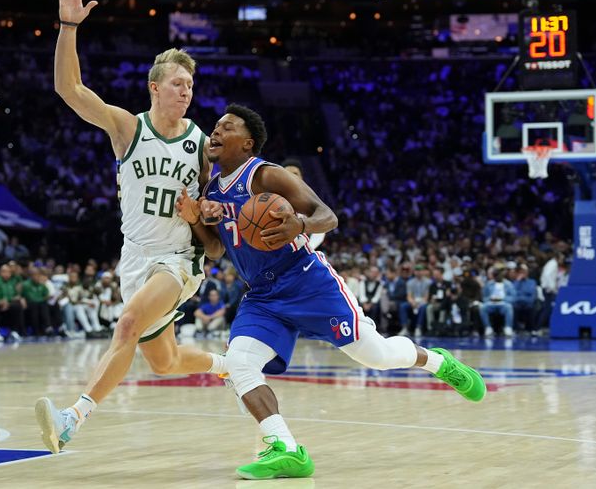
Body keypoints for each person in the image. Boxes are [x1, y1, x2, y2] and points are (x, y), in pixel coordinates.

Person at [177, 104, 485, 480]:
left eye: (227, 128)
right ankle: (286, 449)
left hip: (305, 279)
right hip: (261, 295)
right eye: (216, 127)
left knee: (378, 356)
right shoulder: (210, 190)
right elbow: (215, 249)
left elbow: (328, 215)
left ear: (247, 143)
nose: (216, 132)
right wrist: (195, 220)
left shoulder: (266, 174)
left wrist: (300, 225)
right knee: (239, 363)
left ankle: (437, 361)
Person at [34, 0, 226, 455]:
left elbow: (218, 217)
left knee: (126, 325)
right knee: (164, 362)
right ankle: (230, 364)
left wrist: (203, 212)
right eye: (177, 84)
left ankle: (71, 418)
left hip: (178, 260)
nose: (186, 92)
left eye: (191, 85)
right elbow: (69, 87)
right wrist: (68, 27)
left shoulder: (203, 146)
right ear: (154, 87)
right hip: (135, 258)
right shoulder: (127, 128)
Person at [281, 158, 325, 250]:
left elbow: (320, 230)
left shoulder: (311, 202)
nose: (291, 177)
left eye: (295, 174)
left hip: (305, 253)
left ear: (301, 177)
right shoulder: (272, 200)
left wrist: (308, 248)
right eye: (287, 174)